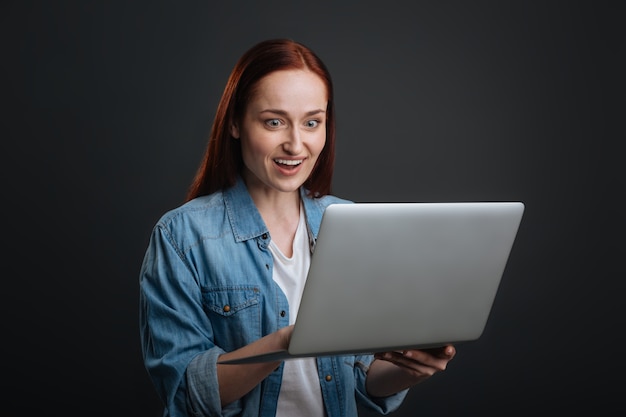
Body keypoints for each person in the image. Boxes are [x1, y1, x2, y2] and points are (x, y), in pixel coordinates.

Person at [139, 38, 456, 417]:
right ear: (236, 122)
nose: (295, 144)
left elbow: (362, 378)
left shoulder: (352, 224)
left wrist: (411, 369)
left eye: (311, 122)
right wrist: (289, 342)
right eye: (274, 122)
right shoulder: (181, 237)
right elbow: (188, 393)